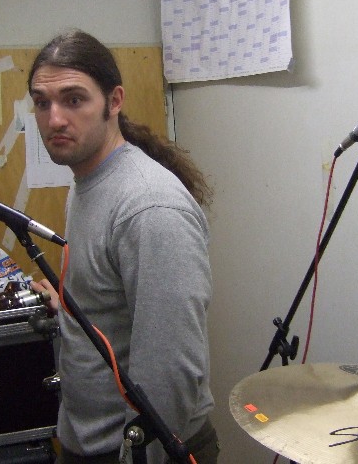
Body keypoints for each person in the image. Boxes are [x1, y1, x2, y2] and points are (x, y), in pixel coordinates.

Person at [28, 30, 218, 464]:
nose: (54, 119)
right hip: (88, 442)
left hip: (137, 451)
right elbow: (113, 296)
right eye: (42, 103)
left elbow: (171, 372)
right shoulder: (86, 182)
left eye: (73, 99)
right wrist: (73, 304)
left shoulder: (149, 207)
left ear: (114, 101)